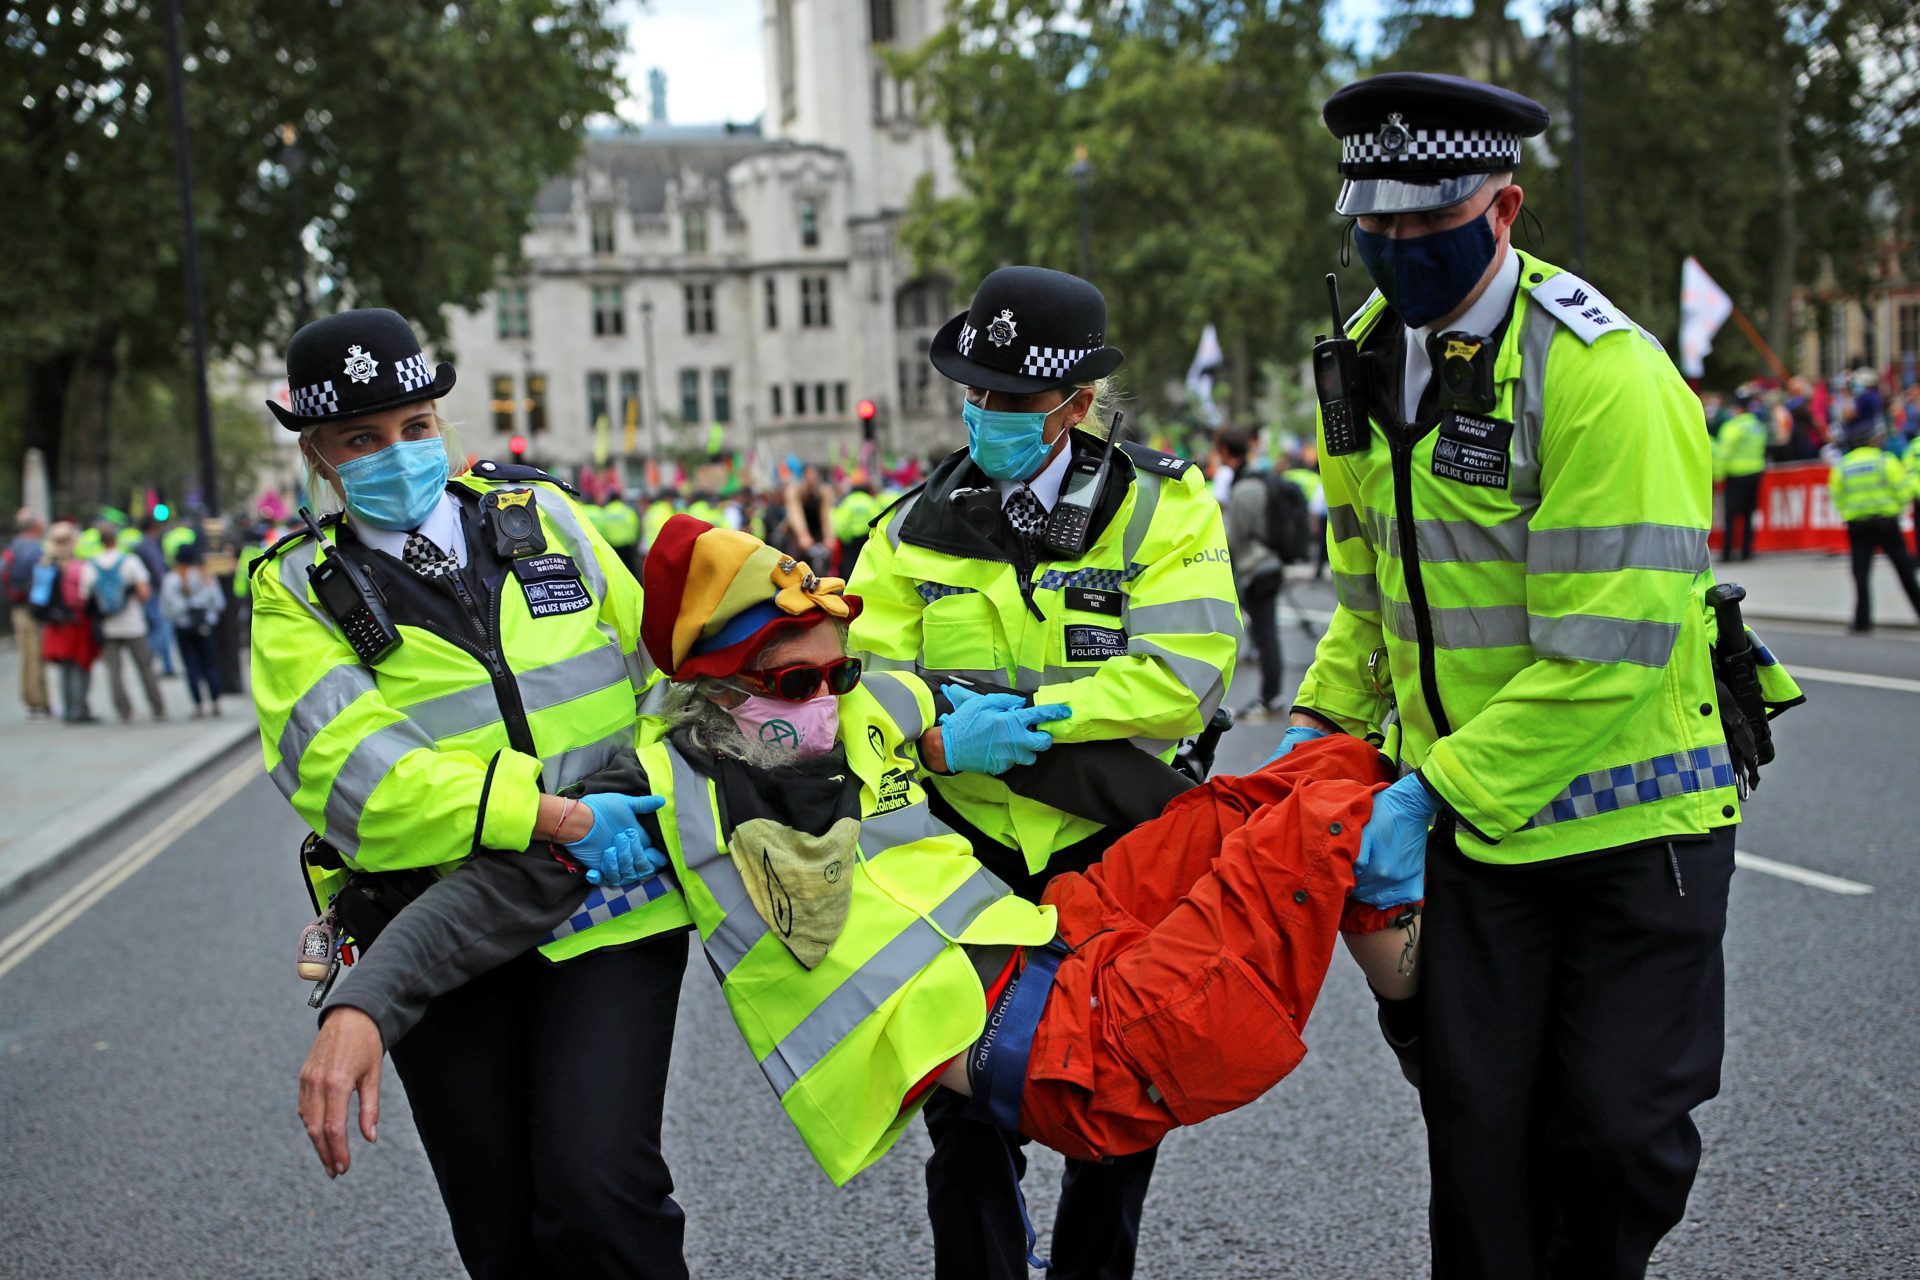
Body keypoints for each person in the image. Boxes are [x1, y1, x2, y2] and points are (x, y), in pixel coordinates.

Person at [295, 515, 1422, 1200]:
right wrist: (365, 1004)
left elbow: (1024, 745)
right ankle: (1424, 997)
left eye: (837, 669)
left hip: (1058, 936)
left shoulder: (874, 696)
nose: (831, 699)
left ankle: (1434, 958)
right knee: (1316, 838)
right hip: (1042, 1047)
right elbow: (480, 905)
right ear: (715, 689)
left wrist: (1172, 808)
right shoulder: (658, 792)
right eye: (796, 681)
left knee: (1288, 789)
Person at [1289, 72, 1804, 1279]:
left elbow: (1606, 649)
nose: (1398, 246)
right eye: (1376, 222)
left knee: (1618, 1134)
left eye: (1429, 221)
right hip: (1480, 836)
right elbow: (1367, 594)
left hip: (1635, 826)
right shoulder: (1358, 364)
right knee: (1478, 1141)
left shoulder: (1600, 375)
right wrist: (1322, 733)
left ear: (1505, 207)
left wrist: (1429, 793)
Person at [250, 308, 691, 1279]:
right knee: (501, 1231)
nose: (395, 452)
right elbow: (354, 780)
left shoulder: (547, 516)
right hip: (434, 921)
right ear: (320, 456)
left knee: (599, 1187)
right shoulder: (295, 589)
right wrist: (551, 814)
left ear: (442, 419)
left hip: (609, 898)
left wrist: (643, 795)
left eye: (413, 426)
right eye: (361, 438)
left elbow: (664, 679)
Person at [848, 264, 1239, 1280]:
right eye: (974, 392)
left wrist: (1042, 716)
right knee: (963, 1112)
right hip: (962, 850)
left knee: (1116, 1099)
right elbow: (857, 680)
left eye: (1012, 399)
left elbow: (1186, 672)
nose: (986, 413)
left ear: (1075, 402)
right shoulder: (905, 529)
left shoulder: (1164, 508)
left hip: (1113, 845)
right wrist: (937, 730)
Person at [1216, 425, 1286, 719]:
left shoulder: (1245, 487)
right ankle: (1271, 694)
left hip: (1256, 568)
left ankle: (1270, 697)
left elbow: (1235, 537)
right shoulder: (1255, 479)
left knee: (1265, 632)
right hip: (1268, 564)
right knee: (1265, 630)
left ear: (1225, 452)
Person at [1828, 420, 1920, 633]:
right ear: (1872, 441)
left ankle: (1862, 622)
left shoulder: (1843, 464)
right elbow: (1903, 489)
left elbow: (1837, 495)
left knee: (1861, 574)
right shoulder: (1884, 460)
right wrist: (1894, 509)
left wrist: (1850, 513)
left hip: (1858, 525)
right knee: (1904, 570)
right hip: (1886, 523)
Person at [87, 531, 166, 722]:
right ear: (115, 540)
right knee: (145, 666)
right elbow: (144, 592)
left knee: (114, 672)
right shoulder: (130, 561)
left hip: (108, 626)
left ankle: (124, 711)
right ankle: (157, 707)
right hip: (133, 623)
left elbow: (86, 595)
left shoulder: (92, 565)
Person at [37, 522, 100, 724]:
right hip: (76, 621)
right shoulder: (77, 566)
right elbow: (86, 596)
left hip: (55, 624)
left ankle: (68, 709)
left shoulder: (45, 565)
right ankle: (79, 709)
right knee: (80, 666)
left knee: (65, 669)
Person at [160, 542, 226, 716]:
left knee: (191, 665)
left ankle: (198, 704)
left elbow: (167, 609)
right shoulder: (206, 577)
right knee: (210, 663)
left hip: (183, 627)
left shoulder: (171, 579)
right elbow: (219, 603)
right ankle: (216, 701)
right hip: (206, 625)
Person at [5, 508, 53, 719]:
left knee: (25, 656)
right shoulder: (36, 550)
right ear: (35, 526)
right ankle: (40, 701)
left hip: (17, 608)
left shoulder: (13, 547)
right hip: (33, 609)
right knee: (36, 655)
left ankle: (30, 699)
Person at [1714, 394, 1770, 561]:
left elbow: (1724, 452)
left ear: (1737, 408)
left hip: (1736, 474)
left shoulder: (1733, 426)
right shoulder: (1757, 426)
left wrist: (1719, 475)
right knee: (1748, 515)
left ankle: (1727, 553)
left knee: (1730, 517)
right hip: (1755, 472)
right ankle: (1747, 551)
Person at [830, 472, 882, 578]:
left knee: (850, 571)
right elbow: (879, 522)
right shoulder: (871, 502)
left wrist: (847, 539)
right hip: (866, 540)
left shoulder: (846, 502)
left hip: (850, 544)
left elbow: (839, 524)